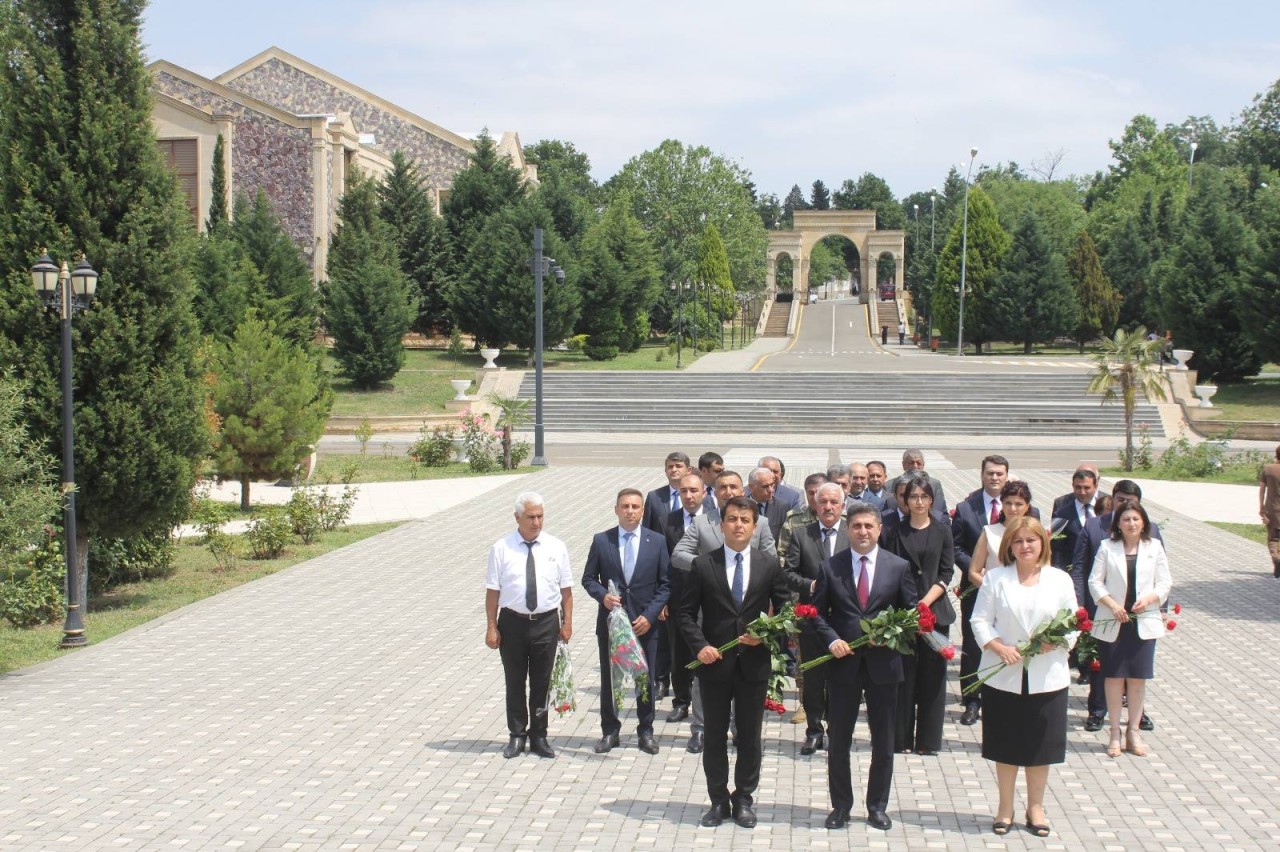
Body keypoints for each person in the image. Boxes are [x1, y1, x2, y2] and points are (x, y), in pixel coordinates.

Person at [679, 496, 790, 829]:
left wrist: (767, 637)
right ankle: (717, 800)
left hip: (752, 666)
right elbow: (684, 614)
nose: (738, 525)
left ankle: (743, 798)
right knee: (714, 736)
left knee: (750, 737)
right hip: (714, 666)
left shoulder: (769, 564)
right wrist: (700, 647)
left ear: (755, 526)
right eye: (732, 519)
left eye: (745, 520)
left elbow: (785, 612)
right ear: (721, 524)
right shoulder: (703, 564)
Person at [808, 501, 918, 831]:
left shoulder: (897, 567)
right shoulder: (831, 567)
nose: (863, 532)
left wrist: (889, 636)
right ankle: (841, 806)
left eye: (869, 526)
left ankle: (877, 806)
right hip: (843, 666)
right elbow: (817, 614)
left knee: (883, 742)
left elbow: (910, 614)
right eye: (857, 526)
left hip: (884, 666)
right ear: (848, 529)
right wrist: (832, 640)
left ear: (880, 529)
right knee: (839, 740)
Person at [970, 516, 1078, 838]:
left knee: (1040, 746)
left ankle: (1036, 807)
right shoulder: (996, 579)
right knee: (1005, 744)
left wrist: (1057, 641)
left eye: (1031, 540)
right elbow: (979, 620)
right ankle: (1005, 806)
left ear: (1042, 543)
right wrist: (997, 645)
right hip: (1004, 674)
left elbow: (1073, 622)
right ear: (1009, 547)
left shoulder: (1059, 580)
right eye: (1018, 541)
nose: (1025, 546)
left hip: (1048, 675)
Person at [672, 470, 777, 754]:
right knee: (706, 677)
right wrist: (710, 568)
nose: (729, 491)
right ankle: (700, 729)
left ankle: (740, 731)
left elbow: (772, 561)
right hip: (712, 616)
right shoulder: (703, 522)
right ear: (714, 492)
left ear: (743, 489)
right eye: (723, 487)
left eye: (734, 486)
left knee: (745, 681)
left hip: (749, 623)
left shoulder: (760, 523)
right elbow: (678, 554)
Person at [484, 492, 574, 759]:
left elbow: (566, 590)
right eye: (530, 517)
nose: (536, 522)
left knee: (542, 682)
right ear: (517, 518)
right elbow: (492, 592)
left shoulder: (556, 546)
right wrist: (491, 626)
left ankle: (540, 735)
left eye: (540, 516)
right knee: (514, 681)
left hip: (546, 622)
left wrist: (567, 622)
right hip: (512, 623)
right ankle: (516, 734)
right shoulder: (501, 548)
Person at [582, 489, 671, 755]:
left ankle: (646, 731)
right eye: (625, 506)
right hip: (613, 623)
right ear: (616, 509)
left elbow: (666, 584)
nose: (630, 511)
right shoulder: (602, 540)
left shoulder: (656, 541)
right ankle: (610, 730)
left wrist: (651, 614)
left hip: (645, 623)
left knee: (645, 678)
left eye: (635, 506)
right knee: (611, 679)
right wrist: (603, 597)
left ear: (643, 510)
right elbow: (588, 578)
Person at [1073, 480, 1163, 733]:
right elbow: (1083, 570)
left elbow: (1162, 579)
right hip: (1106, 611)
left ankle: (1136, 721)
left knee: (1137, 672)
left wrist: (1157, 604)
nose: (1128, 512)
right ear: (1112, 500)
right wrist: (1082, 603)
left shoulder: (1153, 536)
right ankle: (1099, 713)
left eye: (1134, 509)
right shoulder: (1097, 531)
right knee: (1105, 669)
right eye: (1122, 500)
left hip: (1141, 614)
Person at [1088, 502, 1172, 758]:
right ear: (1118, 524)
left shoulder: (1153, 547)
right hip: (1114, 619)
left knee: (1137, 678)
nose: (1131, 524)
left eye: (1136, 519)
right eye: (1126, 519)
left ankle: (1132, 731)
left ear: (1143, 522)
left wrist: (1149, 600)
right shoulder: (1106, 547)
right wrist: (1112, 605)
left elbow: (1165, 581)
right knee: (1113, 678)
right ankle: (1114, 732)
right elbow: (1095, 581)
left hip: (1142, 620)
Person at [880, 474, 955, 755]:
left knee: (933, 679)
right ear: (905, 501)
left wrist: (925, 602)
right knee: (904, 677)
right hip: (904, 612)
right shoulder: (895, 531)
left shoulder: (942, 530)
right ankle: (901, 739)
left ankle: (928, 740)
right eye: (913, 497)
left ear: (932, 500)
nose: (919, 502)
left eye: (924, 497)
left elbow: (947, 571)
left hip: (934, 611)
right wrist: (910, 606)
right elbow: (888, 568)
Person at [783, 482, 850, 755]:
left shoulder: (852, 533)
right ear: (815, 505)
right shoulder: (802, 535)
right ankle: (813, 730)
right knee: (812, 678)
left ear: (842, 506)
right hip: (810, 618)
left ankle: (836, 729)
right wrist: (810, 585)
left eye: (834, 502)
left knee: (840, 678)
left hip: (844, 620)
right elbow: (788, 573)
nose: (828, 507)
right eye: (823, 502)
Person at [962, 478, 1034, 725]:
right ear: (1001, 504)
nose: (1013, 508)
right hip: (993, 605)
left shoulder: (1035, 534)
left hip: (1026, 608)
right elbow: (974, 571)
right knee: (980, 651)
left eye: (1019, 503)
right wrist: (994, 590)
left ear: (1028, 506)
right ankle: (973, 701)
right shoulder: (990, 532)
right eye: (1008, 503)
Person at [661, 472, 708, 724]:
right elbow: (663, 562)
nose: (689, 496)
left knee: (703, 648)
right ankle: (681, 701)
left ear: (704, 492)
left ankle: (706, 702)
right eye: (683, 491)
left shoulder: (714, 519)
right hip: (678, 598)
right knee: (678, 653)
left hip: (708, 597)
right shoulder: (668, 520)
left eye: (694, 491)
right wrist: (663, 600)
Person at [776, 472, 827, 564]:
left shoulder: (842, 518)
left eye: (819, 492)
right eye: (811, 493)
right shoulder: (793, 519)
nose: (815, 497)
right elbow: (782, 553)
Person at [642, 451, 691, 534]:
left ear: (688, 470)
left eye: (678, 466)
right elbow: (646, 529)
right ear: (665, 470)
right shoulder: (654, 497)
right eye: (670, 467)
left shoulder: (698, 496)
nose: (674, 470)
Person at [748, 466, 789, 540]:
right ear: (751, 487)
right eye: (765, 486)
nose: (771, 490)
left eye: (772, 484)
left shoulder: (782, 507)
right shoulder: (740, 506)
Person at [1260, 445, 1280, 577]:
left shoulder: (1268, 469)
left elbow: (1262, 490)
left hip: (1272, 509)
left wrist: (1261, 508)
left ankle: (1277, 560)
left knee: (1272, 539)